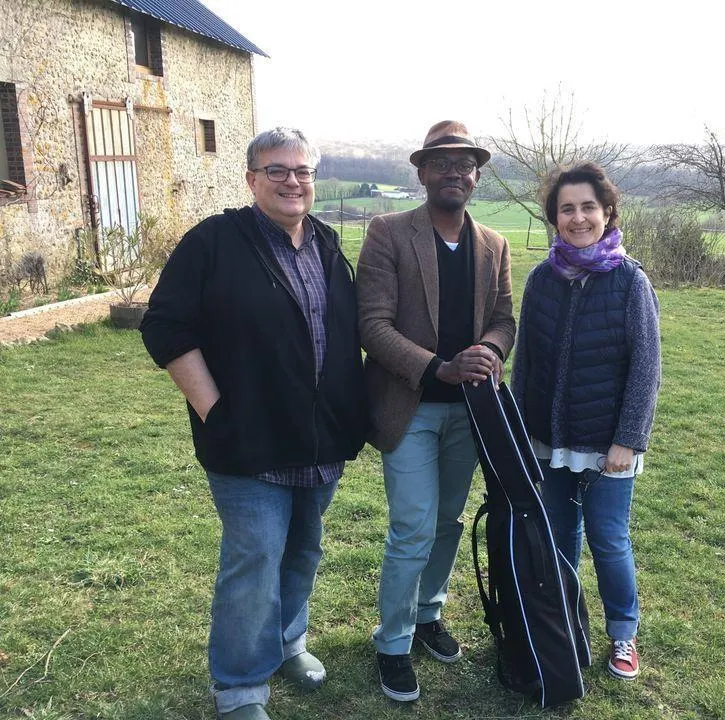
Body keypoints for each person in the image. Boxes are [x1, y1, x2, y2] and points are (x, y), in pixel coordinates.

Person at [140, 127, 366, 720]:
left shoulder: (325, 242)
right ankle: (240, 688)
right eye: (277, 171)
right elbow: (164, 327)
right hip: (246, 441)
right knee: (256, 559)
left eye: (303, 171)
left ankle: (287, 642)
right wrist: (214, 409)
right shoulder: (214, 242)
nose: (293, 181)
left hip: (318, 439)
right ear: (251, 179)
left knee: (303, 550)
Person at [356, 120, 515, 702]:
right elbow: (372, 324)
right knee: (413, 526)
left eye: (465, 164)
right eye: (441, 163)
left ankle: (428, 614)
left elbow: (504, 319)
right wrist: (438, 367)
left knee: (448, 522)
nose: (454, 173)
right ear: (422, 173)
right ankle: (393, 642)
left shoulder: (493, 244)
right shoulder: (388, 232)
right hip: (412, 407)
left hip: (469, 413)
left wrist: (489, 351)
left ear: (476, 177)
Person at [510, 162, 661, 681]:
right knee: (557, 537)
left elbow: (646, 368)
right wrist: (520, 434)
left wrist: (628, 440)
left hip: (607, 445)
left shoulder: (630, 281)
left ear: (608, 212)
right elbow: (526, 363)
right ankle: (564, 625)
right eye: (567, 209)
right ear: (554, 217)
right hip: (548, 443)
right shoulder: (541, 279)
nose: (578, 218)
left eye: (588, 207)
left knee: (608, 539)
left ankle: (623, 634)